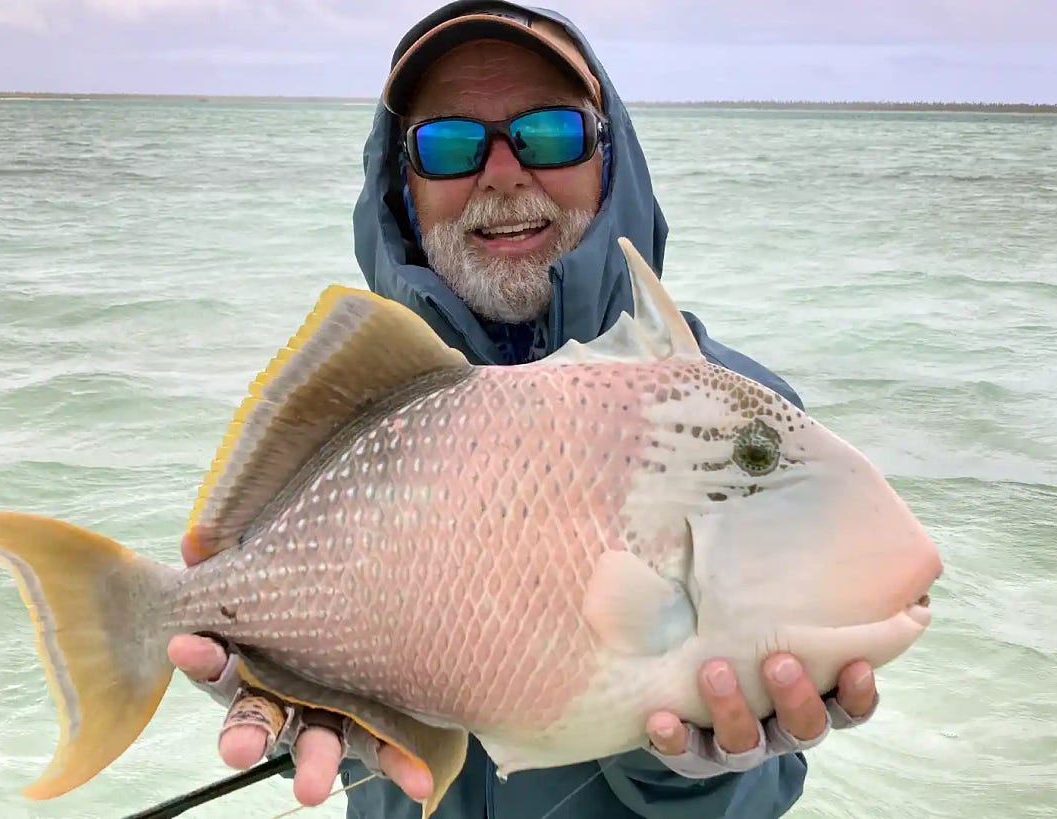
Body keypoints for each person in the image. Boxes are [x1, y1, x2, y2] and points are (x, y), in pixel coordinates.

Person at [166, 2, 883, 817]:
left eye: (550, 134)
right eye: (449, 145)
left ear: (611, 157)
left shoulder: (737, 421)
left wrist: (692, 761)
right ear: (401, 185)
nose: (503, 173)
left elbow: (761, 779)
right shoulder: (360, 403)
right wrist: (282, 666)